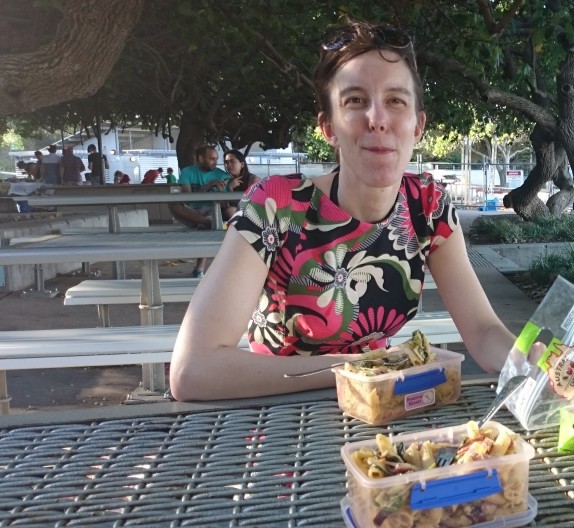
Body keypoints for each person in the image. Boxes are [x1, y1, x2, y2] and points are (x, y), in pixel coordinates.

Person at [170, 20, 522, 402]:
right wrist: (363, 369)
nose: (377, 119)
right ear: (329, 128)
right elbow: (194, 370)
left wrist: (531, 359)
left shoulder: (428, 206)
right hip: (279, 423)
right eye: (355, 100)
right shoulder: (275, 206)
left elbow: (484, 332)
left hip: (381, 416)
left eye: (396, 101)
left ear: (417, 126)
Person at [170, 145, 231, 278]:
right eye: (211, 159)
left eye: (216, 159)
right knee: (173, 204)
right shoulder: (187, 172)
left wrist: (221, 194)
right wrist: (208, 186)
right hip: (191, 211)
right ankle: (208, 223)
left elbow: (225, 203)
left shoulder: (222, 175)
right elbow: (188, 199)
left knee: (208, 223)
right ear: (200, 158)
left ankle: (199, 269)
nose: (215, 162)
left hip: (211, 209)